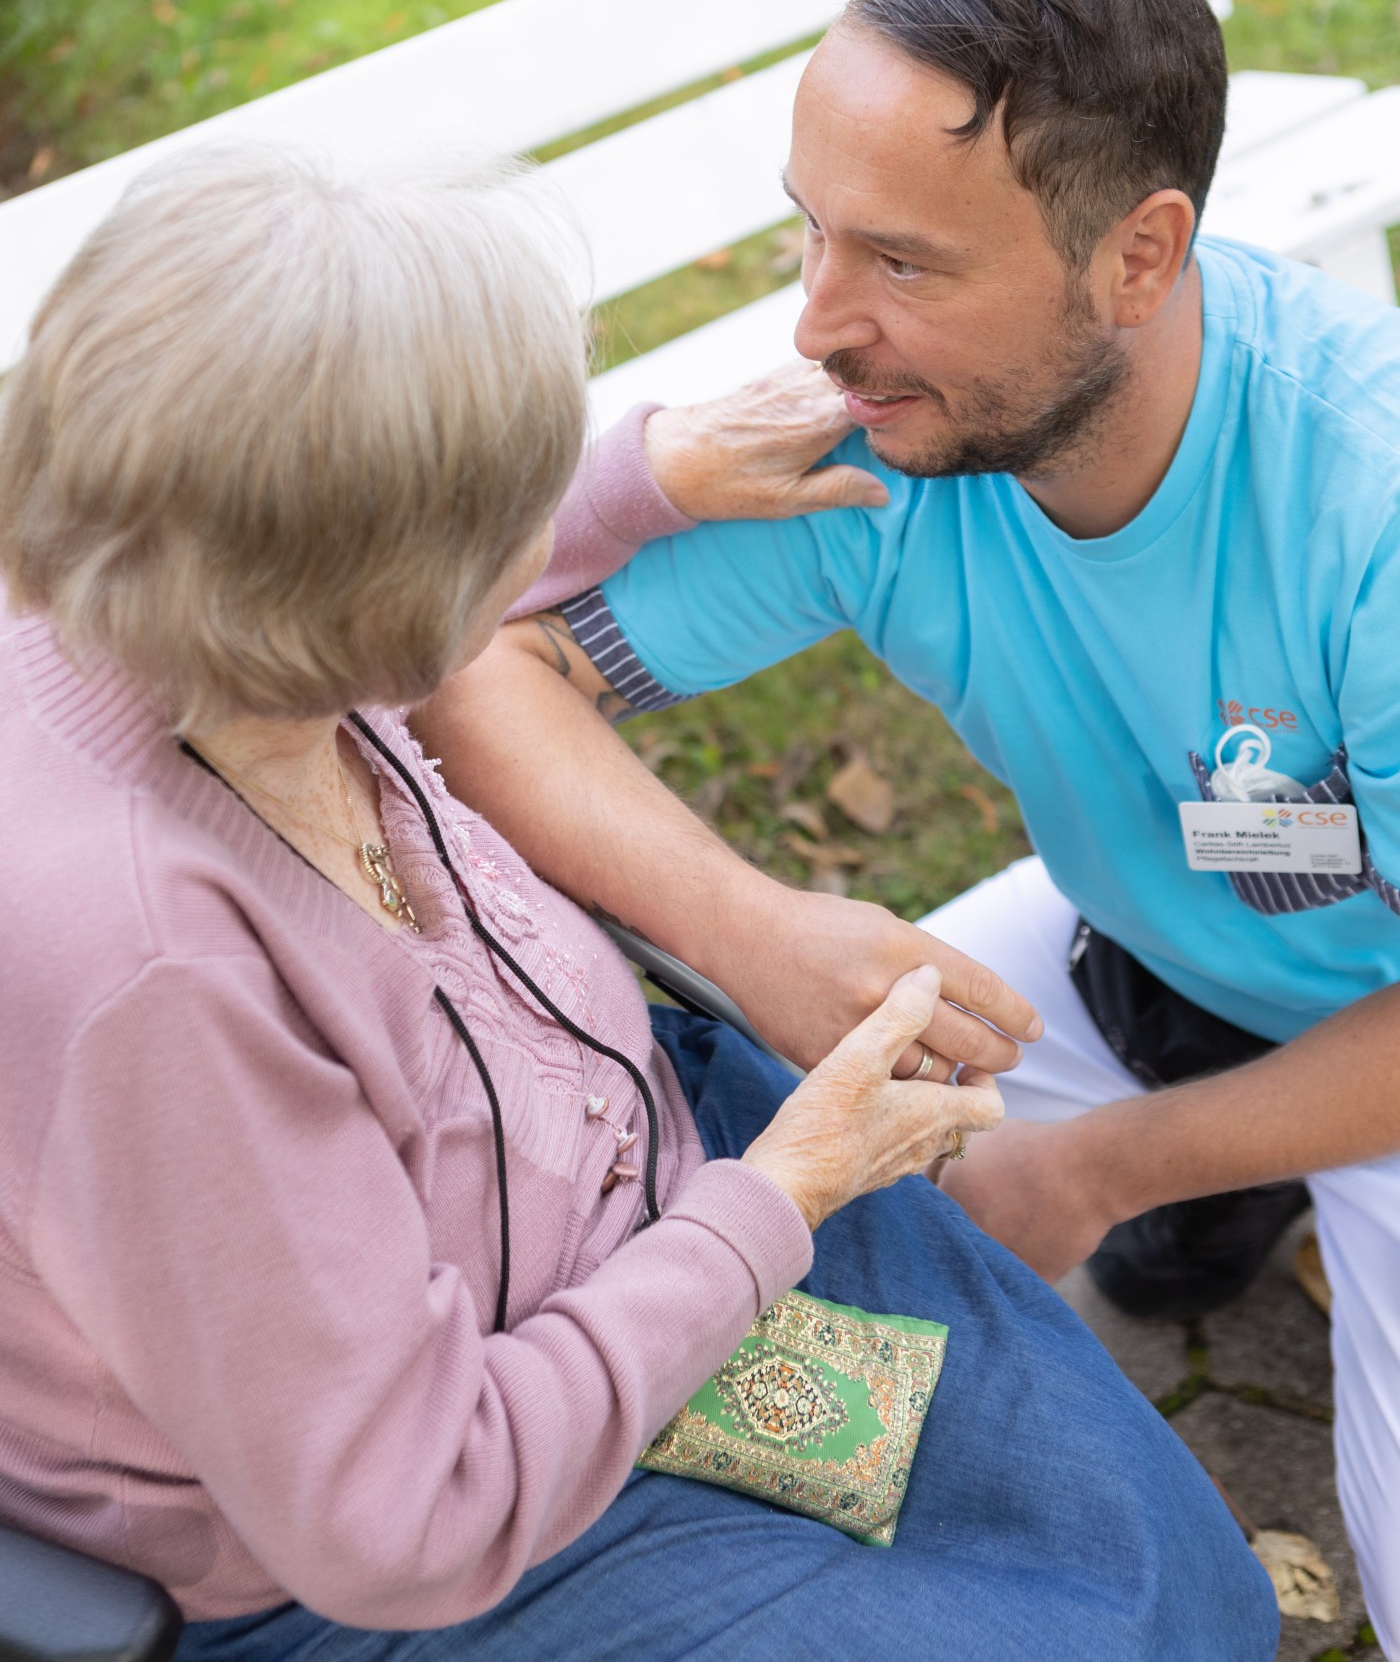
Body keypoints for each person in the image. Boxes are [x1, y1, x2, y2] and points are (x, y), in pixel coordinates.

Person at [0, 145, 1275, 1662]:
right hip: (444, 1525)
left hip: (627, 1199)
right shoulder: (154, 980)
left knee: (1156, 1567)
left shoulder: (163, 591)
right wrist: (780, 1199)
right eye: (519, 512)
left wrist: (638, 479)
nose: (547, 533)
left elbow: (313, 508)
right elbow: (410, 1520)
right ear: (374, 599)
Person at [427, 0, 1400, 1653]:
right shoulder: (887, 443)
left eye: (904, 264)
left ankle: (1213, 1190)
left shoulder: (1370, 508)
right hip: (1132, 942)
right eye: (812, 237)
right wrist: (760, 927)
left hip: (1384, 1031)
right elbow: (484, 659)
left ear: (1139, 256)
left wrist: (1104, 1168)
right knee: (719, 1200)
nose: (817, 326)